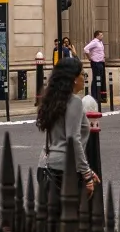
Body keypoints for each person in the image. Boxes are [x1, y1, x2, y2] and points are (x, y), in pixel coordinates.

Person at [34, 56, 99, 208]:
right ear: (74, 79)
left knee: (52, 221)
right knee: (68, 221)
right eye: (82, 74)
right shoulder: (74, 101)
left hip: (45, 165)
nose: (84, 77)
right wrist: (87, 174)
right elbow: (73, 139)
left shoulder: (53, 100)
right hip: (63, 170)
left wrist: (86, 170)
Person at [85, 30, 108, 103]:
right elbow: (86, 49)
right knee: (96, 78)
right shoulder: (94, 42)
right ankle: (94, 96)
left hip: (101, 62)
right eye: (101, 35)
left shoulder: (100, 42)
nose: (102, 36)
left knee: (101, 79)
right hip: (96, 62)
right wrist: (89, 57)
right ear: (97, 35)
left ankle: (100, 95)